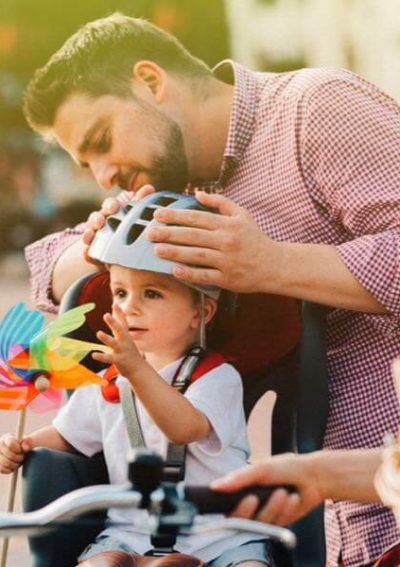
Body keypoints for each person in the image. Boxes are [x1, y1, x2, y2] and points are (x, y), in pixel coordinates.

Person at [22, 12, 400, 566]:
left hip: (383, 497)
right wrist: (103, 245)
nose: (103, 176)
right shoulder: (172, 189)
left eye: (103, 141)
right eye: (87, 164)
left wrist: (270, 264)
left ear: (150, 81)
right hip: (310, 517)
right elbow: (48, 269)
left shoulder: (314, 108)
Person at [0, 195, 274, 567]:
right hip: (131, 532)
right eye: (120, 292)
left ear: (201, 312)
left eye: (152, 293)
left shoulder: (216, 378)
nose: (129, 307)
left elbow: (183, 427)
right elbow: (70, 435)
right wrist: (24, 444)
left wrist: (135, 370)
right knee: (98, 563)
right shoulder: (110, 378)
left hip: (218, 532)